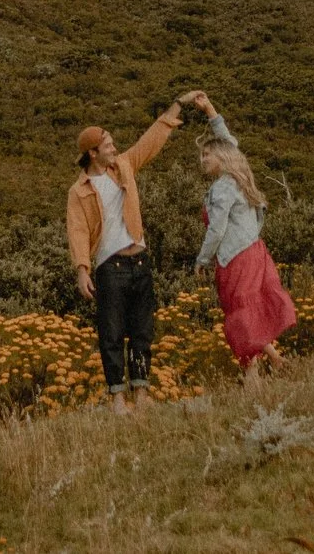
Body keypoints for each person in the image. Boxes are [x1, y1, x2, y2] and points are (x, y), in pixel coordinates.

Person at [65, 97, 187, 413]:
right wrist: (82, 269)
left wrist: (177, 106)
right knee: (112, 333)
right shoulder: (79, 191)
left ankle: (142, 397)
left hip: (140, 260)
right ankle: (119, 400)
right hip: (110, 267)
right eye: (107, 144)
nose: (113, 147)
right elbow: (77, 230)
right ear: (93, 153)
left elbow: (151, 141)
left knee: (142, 331)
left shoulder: (125, 166)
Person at [181, 90, 296, 379]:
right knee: (250, 311)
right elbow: (229, 140)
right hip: (256, 251)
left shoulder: (222, 187)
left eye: (207, 155)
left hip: (235, 259)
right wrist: (209, 110)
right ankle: (276, 360)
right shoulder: (238, 173)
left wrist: (202, 260)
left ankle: (252, 378)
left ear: (221, 157)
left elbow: (217, 229)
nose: (202, 160)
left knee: (241, 316)